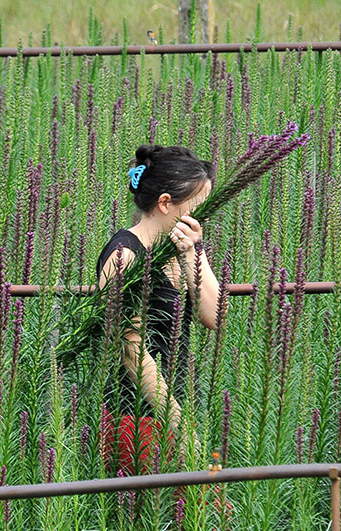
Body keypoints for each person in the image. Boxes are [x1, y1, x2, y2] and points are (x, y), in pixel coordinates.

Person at [96, 144, 222, 474]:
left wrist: (195, 252)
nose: (203, 217)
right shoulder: (124, 255)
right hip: (137, 420)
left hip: (179, 410)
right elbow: (131, 350)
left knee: (206, 507)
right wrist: (179, 427)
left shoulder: (182, 247)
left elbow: (215, 315)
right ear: (165, 203)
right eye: (197, 208)